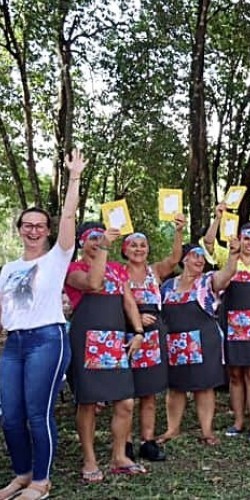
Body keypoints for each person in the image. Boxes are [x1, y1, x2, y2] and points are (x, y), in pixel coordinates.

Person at [0, 150, 83, 499]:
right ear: (19, 230)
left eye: (39, 225)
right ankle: (22, 474)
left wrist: (74, 175)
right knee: (10, 416)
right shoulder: (7, 269)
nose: (33, 230)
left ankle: (41, 481)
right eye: (27, 225)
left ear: (48, 231)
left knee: (37, 412)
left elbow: (67, 214)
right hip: (13, 345)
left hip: (47, 341)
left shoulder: (57, 258)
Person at [64, 224, 147, 481]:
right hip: (87, 340)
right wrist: (104, 248)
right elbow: (94, 282)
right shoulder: (73, 270)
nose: (99, 242)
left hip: (114, 341)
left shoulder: (118, 270)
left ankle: (119, 456)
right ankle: (89, 460)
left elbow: (129, 302)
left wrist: (138, 331)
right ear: (81, 242)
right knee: (88, 402)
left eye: (102, 237)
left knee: (125, 400)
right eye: (94, 238)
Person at [202, 205, 250, 442]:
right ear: (239, 238)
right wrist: (217, 218)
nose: (249, 243)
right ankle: (238, 421)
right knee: (235, 374)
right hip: (231, 324)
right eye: (246, 238)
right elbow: (208, 244)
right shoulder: (228, 256)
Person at [157, 241, 239, 446]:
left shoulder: (207, 281)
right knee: (175, 387)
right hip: (175, 342)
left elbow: (227, 273)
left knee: (204, 386)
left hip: (204, 341)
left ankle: (207, 431)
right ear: (184, 259)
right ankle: (172, 429)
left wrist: (233, 255)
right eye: (196, 256)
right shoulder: (168, 286)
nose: (200, 260)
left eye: (202, 257)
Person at [121, 216, 185, 462]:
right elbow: (115, 304)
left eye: (142, 245)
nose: (138, 249)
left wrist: (178, 231)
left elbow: (175, 259)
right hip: (127, 336)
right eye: (133, 245)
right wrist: (134, 318)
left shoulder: (154, 271)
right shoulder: (118, 273)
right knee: (126, 394)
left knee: (149, 393)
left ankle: (148, 442)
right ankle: (124, 443)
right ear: (125, 249)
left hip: (154, 338)